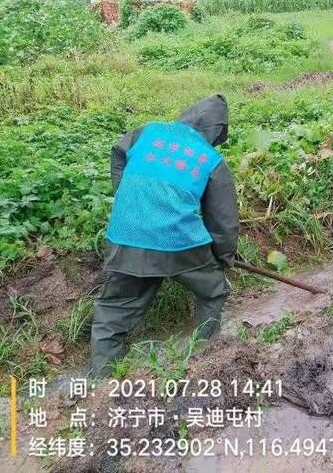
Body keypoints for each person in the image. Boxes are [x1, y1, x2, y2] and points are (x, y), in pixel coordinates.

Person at [90, 95, 240, 378]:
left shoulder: (146, 133)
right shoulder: (211, 160)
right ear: (215, 131)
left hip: (125, 235)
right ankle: (204, 355)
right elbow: (224, 222)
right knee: (214, 290)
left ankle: (99, 380)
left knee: (113, 310)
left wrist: (128, 197)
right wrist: (224, 256)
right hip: (180, 243)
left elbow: (117, 153)